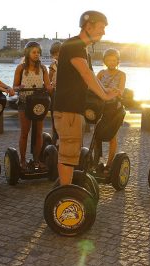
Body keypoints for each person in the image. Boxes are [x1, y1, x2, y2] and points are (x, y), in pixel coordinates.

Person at [53, 10, 118, 185]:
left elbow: (90, 76)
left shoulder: (82, 49)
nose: (103, 32)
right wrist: (104, 95)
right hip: (68, 110)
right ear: (88, 26)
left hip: (73, 110)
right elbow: (85, 74)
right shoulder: (74, 46)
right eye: (101, 27)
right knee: (67, 155)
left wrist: (106, 91)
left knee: (71, 153)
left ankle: (66, 191)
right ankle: (65, 197)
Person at [13, 41, 52, 170]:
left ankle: (36, 160)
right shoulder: (20, 68)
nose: (37, 54)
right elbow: (15, 87)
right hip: (24, 103)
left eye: (38, 52)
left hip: (39, 103)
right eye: (34, 52)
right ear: (27, 53)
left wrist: (51, 87)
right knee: (25, 132)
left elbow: (47, 86)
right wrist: (20, 88)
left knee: (39, 133)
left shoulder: (43, 68)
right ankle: (22, 160)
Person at [95, 48, 126, 173]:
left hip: (114, 108)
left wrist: (114, 91)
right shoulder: (101, 73)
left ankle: (109, 163)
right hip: (100, 106)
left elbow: (121, 91)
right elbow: (94, 87)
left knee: (112, 135)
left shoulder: (121, 74)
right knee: (97, 134)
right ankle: (96, 160)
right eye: (109, 60)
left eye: (114, 60)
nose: (111, 62)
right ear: (105, 61)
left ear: (118, 61)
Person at [48, 41, 62, 144]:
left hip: (64, 93)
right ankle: (54, 135)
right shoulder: (53, 65)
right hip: (54, 92)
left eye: (59, 53)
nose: (57, 56)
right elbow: (49, 79)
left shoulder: (68, 63)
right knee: (54, 115)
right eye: (55, 54)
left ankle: (61, 136)